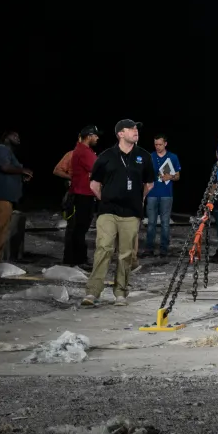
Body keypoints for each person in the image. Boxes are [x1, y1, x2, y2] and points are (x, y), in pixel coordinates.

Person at [82, 119, 152, 306]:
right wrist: (105, 198)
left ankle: (120, 293)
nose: (136, 131)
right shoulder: (106, 156)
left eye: (137, 128)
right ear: (120, 133)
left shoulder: (144, 156)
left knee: (126, 254)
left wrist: (138, 198)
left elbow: (149, 184)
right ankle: (92, 292)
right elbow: (94, 184)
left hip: (131, 213)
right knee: (103, 249)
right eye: (131, 129)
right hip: (108, 212)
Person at [0, 130, 32, 264]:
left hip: (5, 198)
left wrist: (20, 176)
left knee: (1, 230)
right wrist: (22, 170)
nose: (17, 138)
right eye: (14, 135)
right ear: (5, 138)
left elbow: (9, 170)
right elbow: (3, 167)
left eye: (19, 136)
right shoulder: (1, 149)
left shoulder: (9, 154)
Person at [54, 126, 100, 268]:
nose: (97, 138)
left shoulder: (85, 151)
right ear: (88, 136)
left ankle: (75, 259)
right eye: (95, 136)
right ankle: (75, 259)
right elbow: (57, 170)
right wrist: (73, 178)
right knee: (76, 229)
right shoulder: (78, 153)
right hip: (79, 195)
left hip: (83, 194)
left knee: (78, 229)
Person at [144, 135, 181, 257]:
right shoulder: (150, 157)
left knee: (165, 223)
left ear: (165, 144)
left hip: (166, 194)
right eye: (155, 144)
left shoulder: (173, 157)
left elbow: (178, 176)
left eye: (160, 144)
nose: (157, 147)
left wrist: (169, 177)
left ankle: (164, 249)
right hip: (152, 194)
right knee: (151, 223)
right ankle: (149, 249)